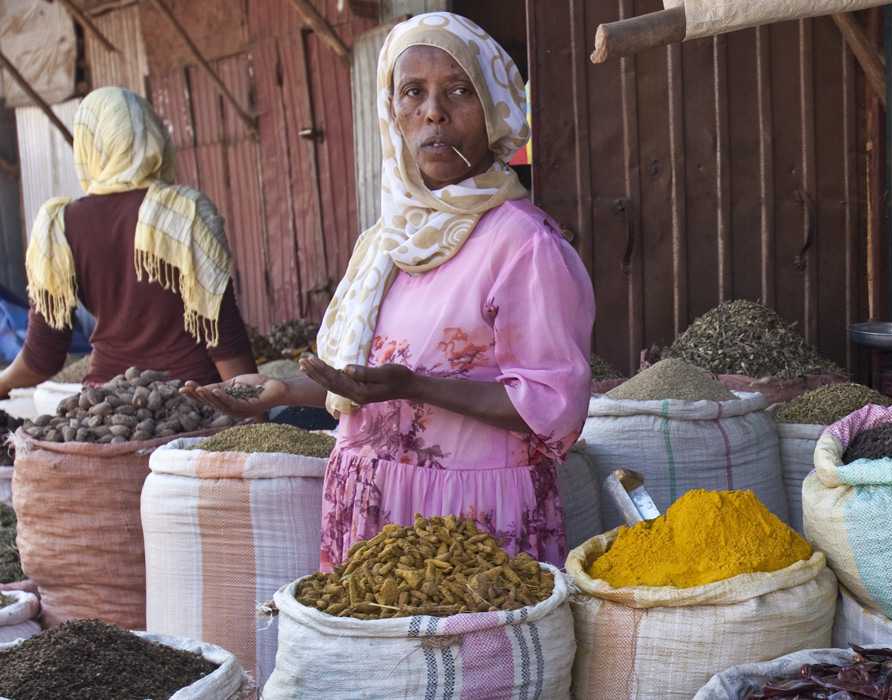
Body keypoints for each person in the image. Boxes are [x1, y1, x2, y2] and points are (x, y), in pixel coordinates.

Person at [190, 12, 593, 568]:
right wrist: (283, 391)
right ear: (391, 112)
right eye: (413, 93)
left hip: (469, 523)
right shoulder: (385, 242)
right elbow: (370, 381)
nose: (433, 111)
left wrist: (418, 386)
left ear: (496, 107)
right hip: (373, 511)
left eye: (458, 90)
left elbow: (553, 406)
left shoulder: (523, 244)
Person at [0, 87, 255, 393]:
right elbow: (224, 336)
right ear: (154, 134)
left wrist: (2, 383)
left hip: (104, 410)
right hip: (193, 402)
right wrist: (253, 413)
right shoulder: (184, 212)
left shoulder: (60, 224)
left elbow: (42, 357)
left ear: (88, 145)